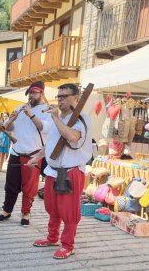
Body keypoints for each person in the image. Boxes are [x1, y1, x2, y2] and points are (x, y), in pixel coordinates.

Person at [28, 83, 92, 259]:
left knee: (68, 211)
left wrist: (55, 118)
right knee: (52, 207)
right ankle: (52, 238)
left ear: (76, 98)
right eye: (59, 96)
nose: (61, 100)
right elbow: (52, 145)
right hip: (53, 170)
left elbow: (71, 137)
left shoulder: (82, 119)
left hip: (69, 172)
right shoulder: (60, 118)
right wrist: (37, 157)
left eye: (65, 96)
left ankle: (67, 245)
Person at [0, 81, 51, 227]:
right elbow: (8, 126)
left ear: (42, 94)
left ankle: (26, 213)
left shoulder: (47, 110)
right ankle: (7, 210)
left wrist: (31, 115)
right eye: (30, 93)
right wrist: (11, 120)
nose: (31, 95)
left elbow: (44, 128)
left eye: (34, 92)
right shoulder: (20, 107)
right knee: (10, 185)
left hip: (34, 154)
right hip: (15, 151)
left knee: (30, 187)